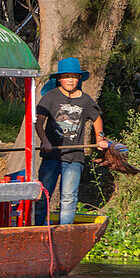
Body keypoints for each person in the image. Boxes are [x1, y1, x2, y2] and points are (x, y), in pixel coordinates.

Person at [34, 57, 107, 226]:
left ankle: (64, 232)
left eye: (74, 76)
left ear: (79, 78)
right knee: (43, 196)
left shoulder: (86, 100)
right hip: (51, 155)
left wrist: (100, 138)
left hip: (74, 157)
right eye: (66, 76)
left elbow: (97, 119)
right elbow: (38, 123)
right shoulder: (50, 97)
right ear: (59, 78)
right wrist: (45, 141)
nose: (70, 80)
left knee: (68, 197)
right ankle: (36, 229)